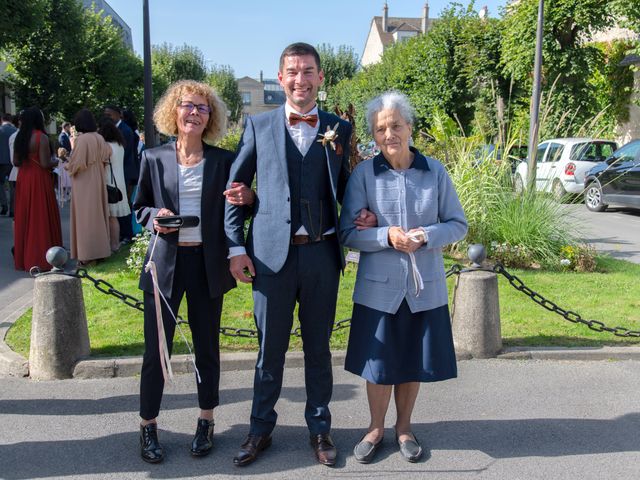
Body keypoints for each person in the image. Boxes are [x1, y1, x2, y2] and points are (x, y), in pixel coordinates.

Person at [224, 42, 375, 468]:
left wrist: (362, 212)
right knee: (268, 350)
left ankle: (319, 428)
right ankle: (259, 429)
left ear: (320, 77)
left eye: (308, 71)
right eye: (292, 71)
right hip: (270, 258)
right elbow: (235, 193)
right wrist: (236, 247)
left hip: (321, 256)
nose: (300, 79)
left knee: (318, 349)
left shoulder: (338, 130)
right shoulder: (258, 126)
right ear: (280, 76)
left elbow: (345, 187)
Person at [339, 91, 468, 464]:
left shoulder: (435, 172)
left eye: (395, 125)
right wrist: (385, 235)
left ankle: (405, 428)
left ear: (410, 127)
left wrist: (426, 235)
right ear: (373, 136)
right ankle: (375, 428)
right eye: (380, 128)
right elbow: (348, 231)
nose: (388, 134)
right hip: (378, 289)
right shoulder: (364, 174)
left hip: (422, 287)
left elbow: (458, 224)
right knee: (378, 366)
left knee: (411, 361)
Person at [133, 79, 253, 463]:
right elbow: (140, 207)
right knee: (157, 350)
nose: (194, 113)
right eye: (188, 106)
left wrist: (250, 197)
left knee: (207, 350)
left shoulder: (223, 161)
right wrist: (156, 217)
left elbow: (240, 208)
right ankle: (148, 424)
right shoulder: (153, 158)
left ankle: (206, 420)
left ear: (211, 117)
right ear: (174, 110)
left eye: (202, 108)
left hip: (206, 264)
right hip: (164, 265)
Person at [13, 107, 62, 271]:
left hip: (24, 177)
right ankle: (42, 258)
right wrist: (59, 160)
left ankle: (23, 258)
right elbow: (45, 163)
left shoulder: (20, 137)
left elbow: (16, 162)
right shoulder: (41, 138)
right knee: (40, 216)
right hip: (38, 179)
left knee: (25, 216)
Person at [65, 108, 112, 265]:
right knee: (98, 214)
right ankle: (100, 251)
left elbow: (76, 164)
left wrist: (66, 162)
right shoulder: (99, 137)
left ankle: (87, 255)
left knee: (85, 218)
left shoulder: (82, 140)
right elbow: (108, 153)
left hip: (84, 182)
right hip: (97, 177)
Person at [98, 116, 130, 253]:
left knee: (110, 217)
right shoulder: (120, 145)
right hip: (119, 182)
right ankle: (115, 244)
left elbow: (101, 163)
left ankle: (113, 245)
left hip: (109, 182)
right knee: (114, 216)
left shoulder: (106, 146)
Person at [104, 105, 136, 243]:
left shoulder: (125, 130)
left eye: (109, 114)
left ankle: (127, 235)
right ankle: (123, 234)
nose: (107, 117)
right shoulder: (119, 129)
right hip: (120, 172)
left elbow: (127, 154)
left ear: (118, 115)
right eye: (105, 115)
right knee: (120, 204)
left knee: (124, 204)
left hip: (125, 173)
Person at [0, 113, 17, 216]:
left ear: (2, 119)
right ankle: (12, 210)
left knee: (0, 184)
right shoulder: (15, 131)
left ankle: (4, 205)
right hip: (12, 162)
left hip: (1, 162)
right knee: (13, 186)